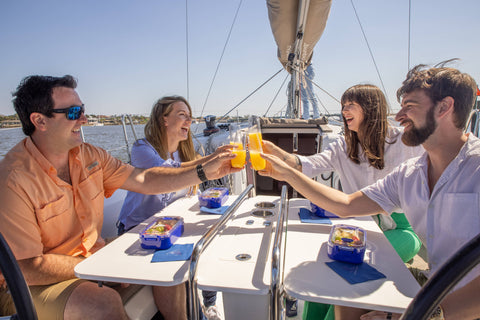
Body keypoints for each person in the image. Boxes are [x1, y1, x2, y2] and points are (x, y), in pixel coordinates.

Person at [0, 75, 240, 320]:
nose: (84, 119)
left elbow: (143, 179)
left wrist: (203, 170)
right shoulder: (13, 179)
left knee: (168, 253)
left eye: (82, 110)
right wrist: (95, 265)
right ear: (39, 120)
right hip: (35, 285)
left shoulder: (90, 156)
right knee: (101, 304)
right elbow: (25, 267)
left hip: (92, 257)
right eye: (73, 112)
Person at [259, 61, 480, 320]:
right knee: (342, 297)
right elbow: (347, 204)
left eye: (410, 106)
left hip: (451, 307)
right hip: (436, 293)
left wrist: (425, 314)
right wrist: (285, 173)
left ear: (444, 107)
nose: (398, 116)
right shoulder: (410, 174)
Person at [263, 84, 424, 320]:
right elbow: (307, 165)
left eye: (350, 105)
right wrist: (275, 150)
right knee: (320, 284)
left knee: (344, 277)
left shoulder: (404, 142)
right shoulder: (343, 146)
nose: (343, 110)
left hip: (401, 227)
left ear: (370, 109)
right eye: (343, 105)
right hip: (360, 226)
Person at [117, 96, 222, 320]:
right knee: (179, 265)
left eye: (190, 117)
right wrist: (212, 159)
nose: (189, 121)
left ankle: (209, 304)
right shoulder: (142, 149)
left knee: (210, 243)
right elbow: (168, 172)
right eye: (182, 114)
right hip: (138, 230)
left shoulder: (188, 154)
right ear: (164, 119)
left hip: (170, 227)